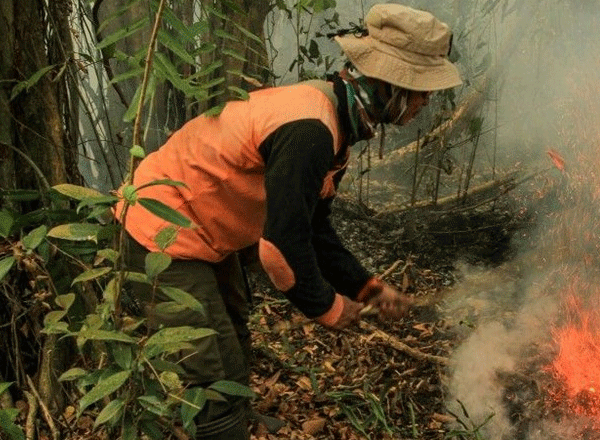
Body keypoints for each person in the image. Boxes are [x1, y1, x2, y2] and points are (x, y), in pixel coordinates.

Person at [116, 4, 461, 439]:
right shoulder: (310, 129)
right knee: (207, 363)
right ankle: (222, 428)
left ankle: (237, 423)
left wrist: (364, 286)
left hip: (205, 226)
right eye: (421, 89)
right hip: (162, 225)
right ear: (391, 84)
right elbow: (280, 247)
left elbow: (315, 228)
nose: (427, 101)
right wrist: (328, 307)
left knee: (234, 325)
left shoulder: (335, 116)